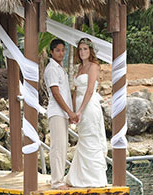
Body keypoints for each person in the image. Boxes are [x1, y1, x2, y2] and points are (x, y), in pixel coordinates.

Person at [65, 38, 108, 187]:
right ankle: (81, 177)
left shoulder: (93, 66)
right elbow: (76, 90)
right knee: (83, 139)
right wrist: (72, 112)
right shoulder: (79, 68)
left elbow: (90, 90)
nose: (82, 52)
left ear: (90, 51)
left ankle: (95, 179)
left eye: (85, 49)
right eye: (80, 49)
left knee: (91, 138)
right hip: (79, 108)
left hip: (89, 107)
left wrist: (81, 110)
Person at [44, 39, 78, 189]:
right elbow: (56, 93)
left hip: (62, 113)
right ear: (51, 52)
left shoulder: (60, 69)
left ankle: (57, 178)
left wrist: (69, 113)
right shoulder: (51, 69)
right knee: (57, 147)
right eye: (57, 50)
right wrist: (69, 112)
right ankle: (56, 182)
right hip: (57, 112)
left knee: (62, 147)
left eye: (63, 50)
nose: (61, 53)